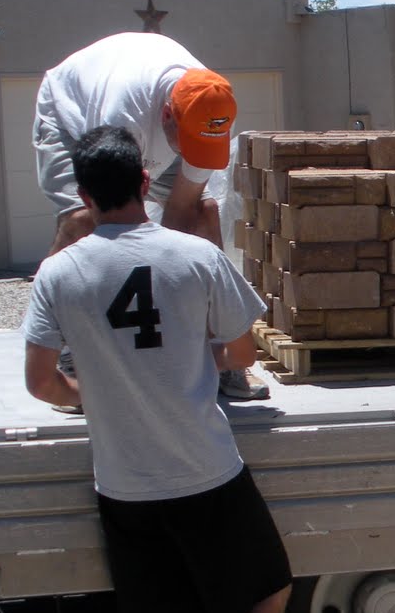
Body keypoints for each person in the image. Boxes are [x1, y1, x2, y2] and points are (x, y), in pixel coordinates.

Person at [22, 125, 292, 613]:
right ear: (145, 183)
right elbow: (240, 353)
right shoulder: (194, 257)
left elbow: (39, 382)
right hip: (206, 472)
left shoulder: (59, 272)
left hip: (124, 484)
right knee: (270, 591)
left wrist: (93, 393)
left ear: (82, 195)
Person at [33, 31, 268, 400]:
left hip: (149, 122)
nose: (192, 153)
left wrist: (178, 336)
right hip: (71, 111)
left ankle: (219, 357)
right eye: (187, 140)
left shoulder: (213, 107)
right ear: (166, 115)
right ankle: (66, 350)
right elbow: (116, 225)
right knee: (82, 221)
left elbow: (178, 214)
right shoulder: (122, 112)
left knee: (203, 213)